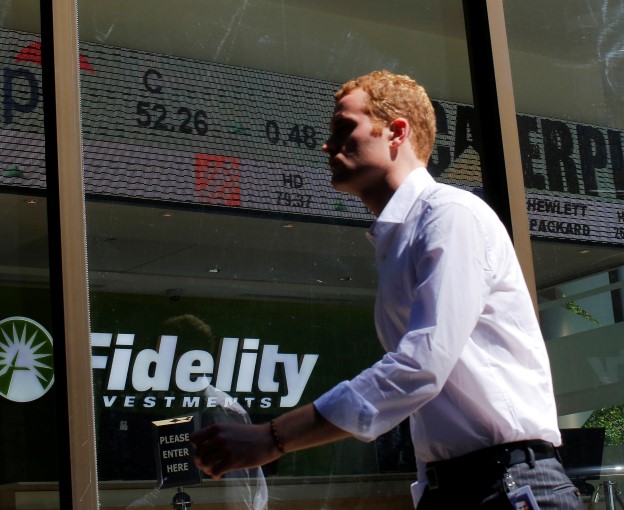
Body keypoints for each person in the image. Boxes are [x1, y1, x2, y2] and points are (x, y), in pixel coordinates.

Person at [190, 70, 582, 509]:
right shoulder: (403, 237)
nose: (327, 144)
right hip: (469, 486)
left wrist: (272, 437)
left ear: (396, 132)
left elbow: (421, 364)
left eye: (344, 128)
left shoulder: (450, 216)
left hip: (508, 484)